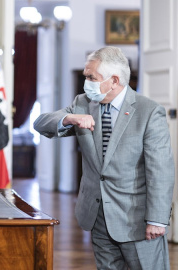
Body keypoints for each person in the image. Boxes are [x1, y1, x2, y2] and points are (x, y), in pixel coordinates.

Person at [34, 46, 175, 269]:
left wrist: (157, 219)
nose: (86, 82)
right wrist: (70, 118)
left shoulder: (149, 112)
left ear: (114, 80)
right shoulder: (82, 103)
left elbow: (161, 170)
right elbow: (41, 123)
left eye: (91, 77)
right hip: (97, 216)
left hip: (137, 219)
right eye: (85, 76)